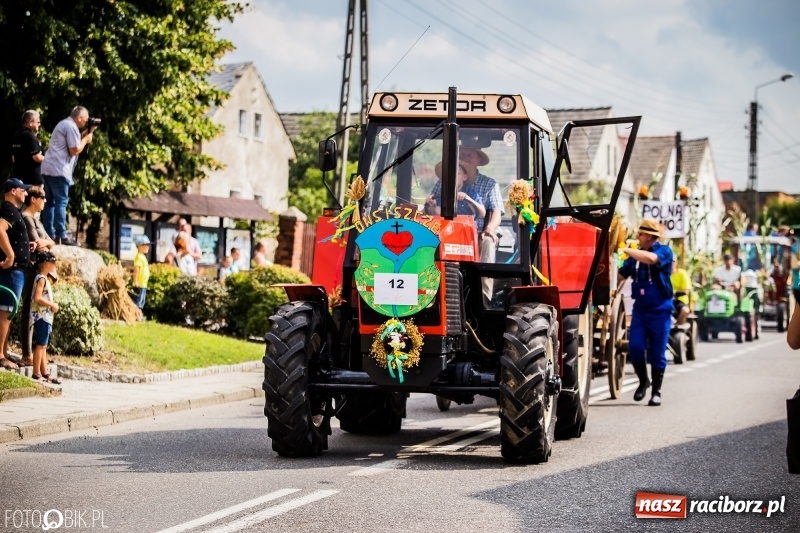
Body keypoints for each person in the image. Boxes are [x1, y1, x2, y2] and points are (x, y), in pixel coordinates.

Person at [428, 147, 502, 303]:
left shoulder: (488, 184)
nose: (465, 157)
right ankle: (429, 289)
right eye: (461, 154)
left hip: (476, 234)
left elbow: (495, 212)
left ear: (479, 160)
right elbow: (435, 208)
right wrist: (430, 204)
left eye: (469, 154)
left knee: (488, 242)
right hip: (447, 233)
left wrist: (489, 229)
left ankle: (484, 296)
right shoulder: (444, 183)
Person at [619, 218, 674, 406]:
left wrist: (626, 250)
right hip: (641, 310)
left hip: (661, 310)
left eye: (640, 234)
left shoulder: (664, 251)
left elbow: (652, 259)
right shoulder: (635, 257)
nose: (638, 237)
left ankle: (656, 392)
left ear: (649, 236)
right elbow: (621, 275)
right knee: (634, 348)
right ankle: (643, 381)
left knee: (658, 353)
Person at [40, 106, 96, 244]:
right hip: (59, 170)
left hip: (48, 169)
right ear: (79, 117)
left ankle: (49, 233)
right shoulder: (71, 127)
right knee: (61, 202)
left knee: (49, 203)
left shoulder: (63, 124)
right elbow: (75, 149)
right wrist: (86, 140)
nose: (87, 121)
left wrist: (89, 131)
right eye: (86, 119)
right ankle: (61, 234)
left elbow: (74, 141)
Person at [18, 185, 55, 364]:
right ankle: (26, 354)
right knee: (27, 309)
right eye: (42, 198)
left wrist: (46, 242)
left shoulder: (37, 220)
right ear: (33, 199)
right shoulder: (26, 218)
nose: (45, 201)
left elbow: (51, 243)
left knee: (35, 311)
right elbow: (37, 243)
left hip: (38, 269)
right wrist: (45, 243)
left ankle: (34, 355)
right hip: (29, 268)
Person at [0, 178, 32, 370]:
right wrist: (11, 255)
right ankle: (0, 355)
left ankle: (3, 352)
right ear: (13, 191)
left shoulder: (12, 211)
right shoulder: (9, 210)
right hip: (12, 271)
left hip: (17, 270)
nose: (26, 193)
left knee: (7, 313)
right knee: (5, 312)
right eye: (23, 190)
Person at [29, 251, 60, 384]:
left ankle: (44, 371)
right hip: (42, 316)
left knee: (43, 346)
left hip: (46, 317)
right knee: (40, 345)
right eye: (53, 263)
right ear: (47, 264)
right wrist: (52, 304)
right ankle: (36, 373)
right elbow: (37, 297)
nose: (55, 266)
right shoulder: (41, 278)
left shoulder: (45, 278)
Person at [10, 110, 44, 186]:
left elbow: (13, 159)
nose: (39, 124)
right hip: (33, 181)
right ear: (31, 123)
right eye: (38, 122)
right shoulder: (29, 136)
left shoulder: (16, 136)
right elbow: (37, 157)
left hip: (19, 180)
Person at [131, 235, 151, 319]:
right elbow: (136, 270)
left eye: (148, 245)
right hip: (139, 284)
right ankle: (136, 316)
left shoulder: (142, 256)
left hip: (143, 284)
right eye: (144, 245)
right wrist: (135, 280)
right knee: (137, 302)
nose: (147, 247)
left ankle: (139, 315)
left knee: (141, 302)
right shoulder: (139, 257)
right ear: (138, 246)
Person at [671, 256, 691, 326]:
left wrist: (674, 294)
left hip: (679, 300)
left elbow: (686, 291)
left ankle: (677, 325)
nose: (671, 263)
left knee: (685, 310)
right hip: (665, 300)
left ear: (676, 262)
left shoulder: (682, 273)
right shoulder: (663, 274)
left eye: (673, 261)